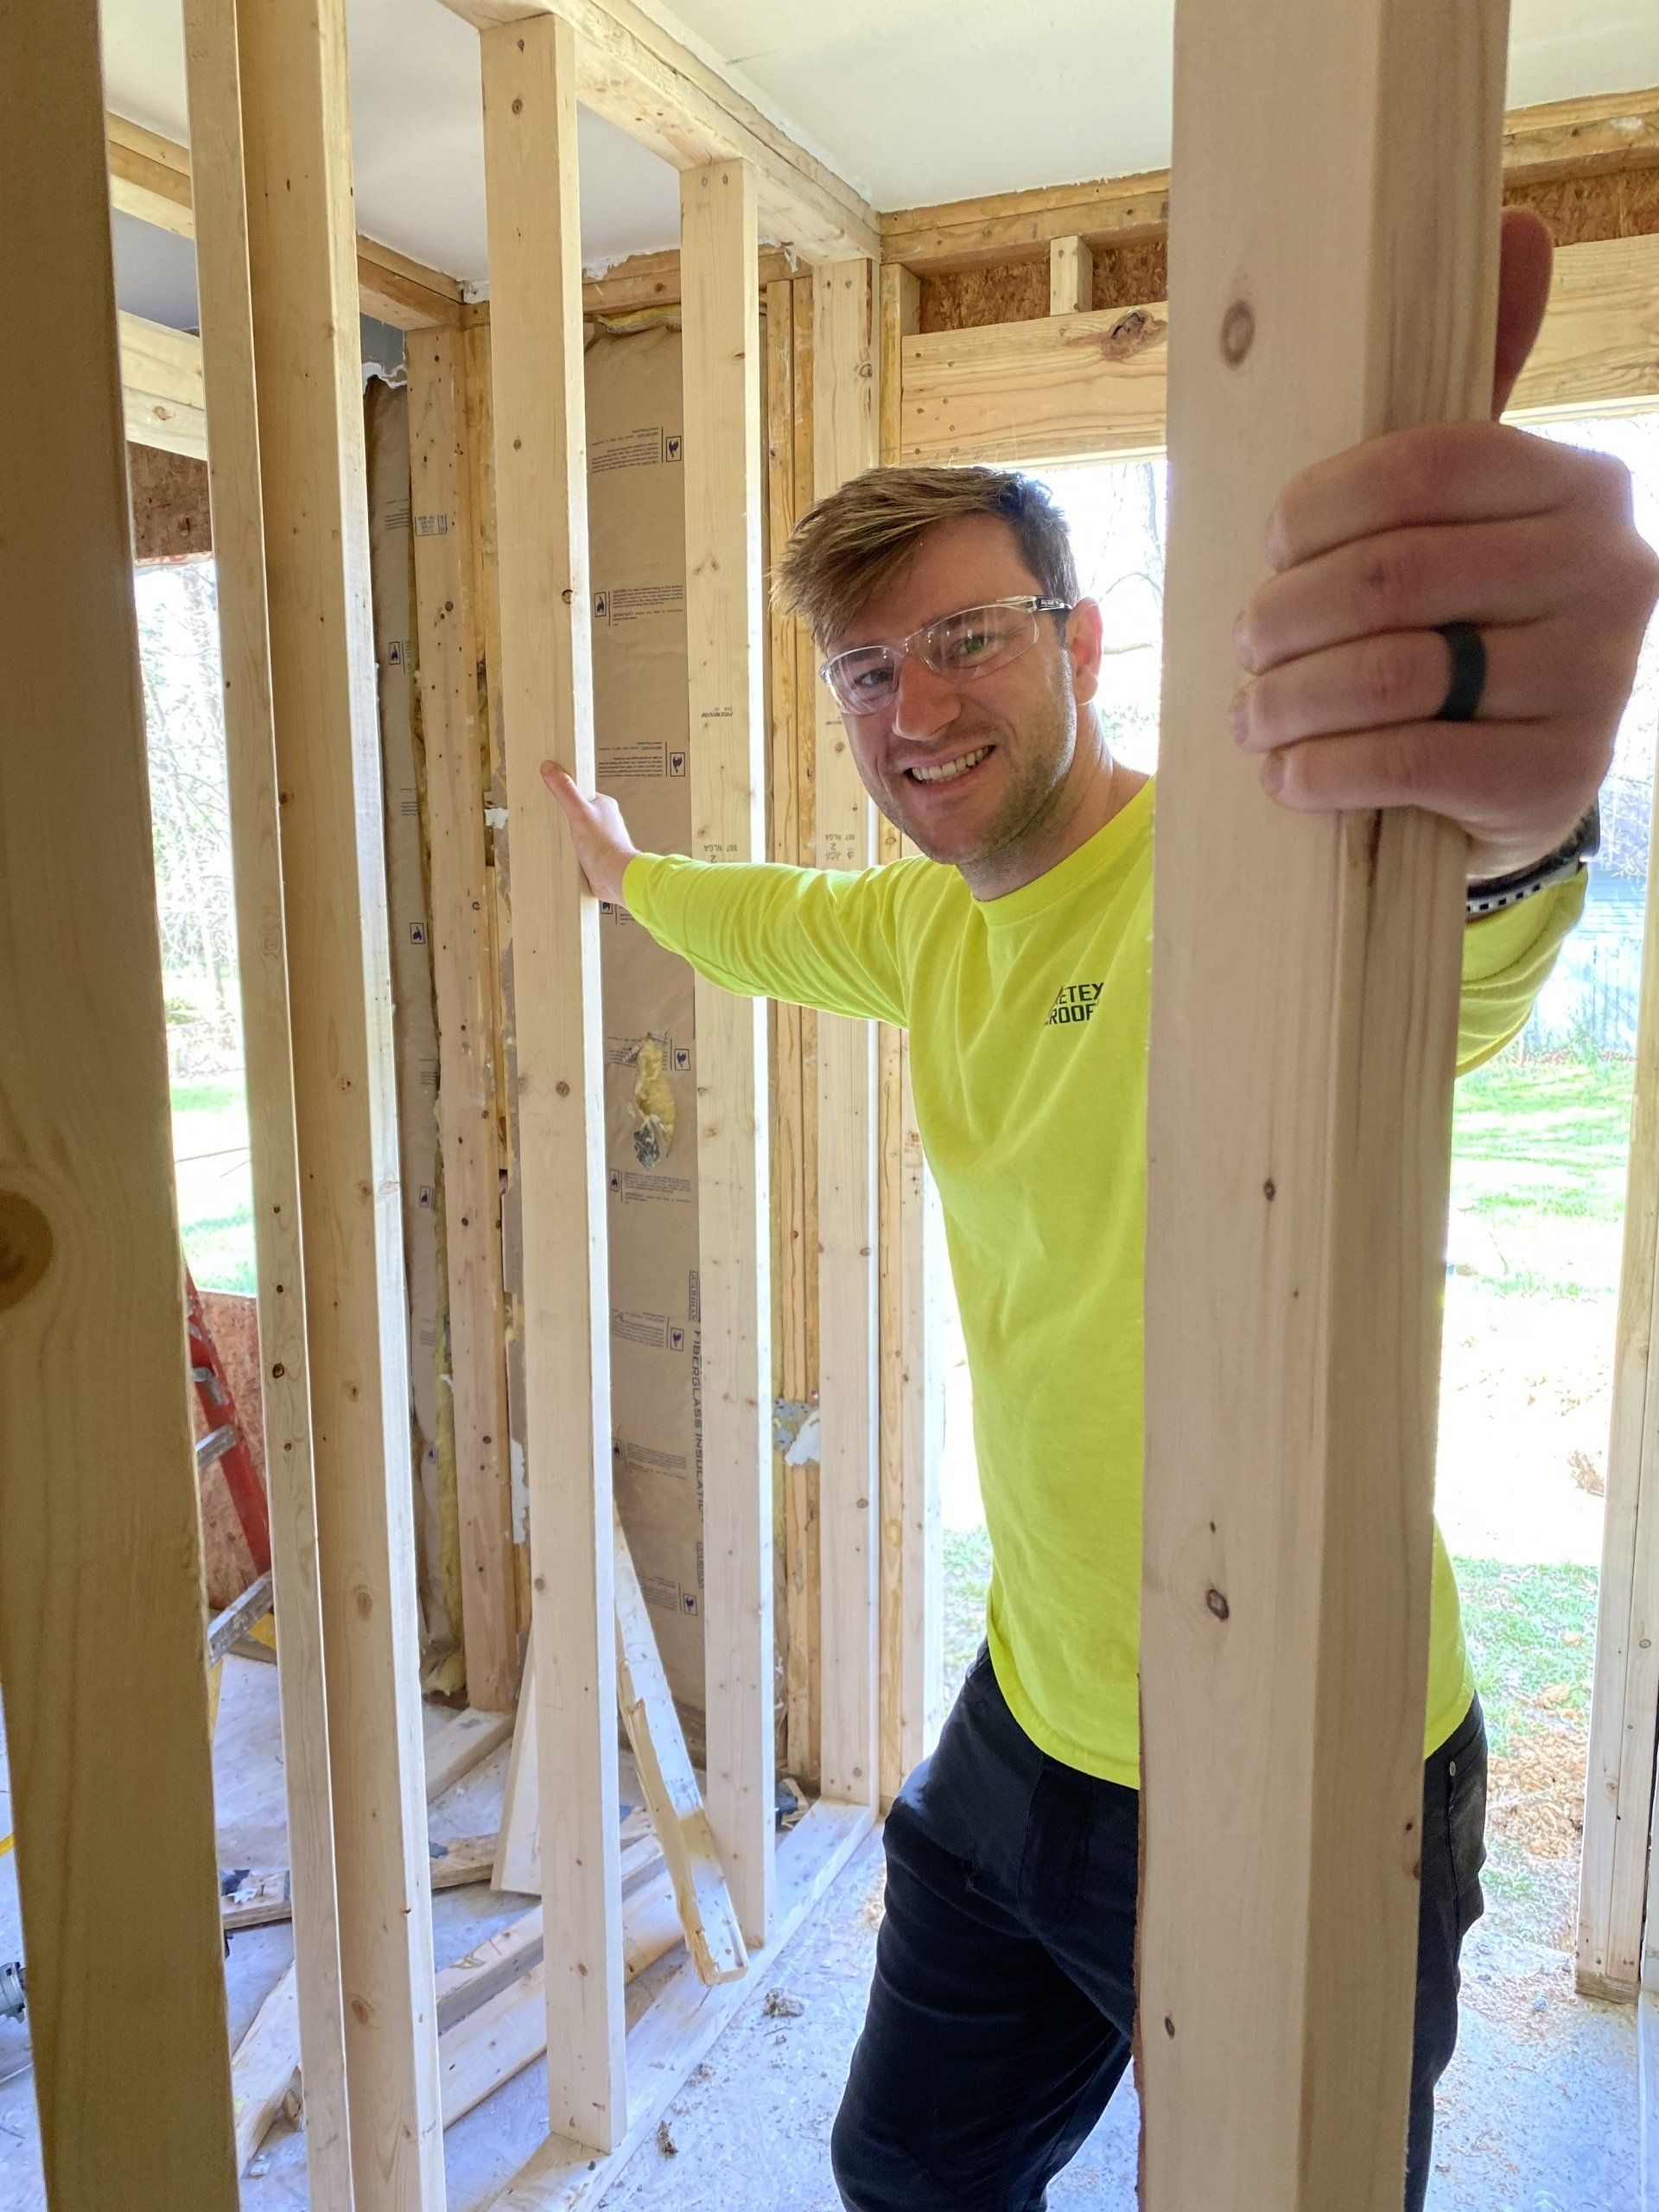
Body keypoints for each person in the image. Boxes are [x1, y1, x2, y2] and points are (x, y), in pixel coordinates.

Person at [544, 208, 1659, 2211]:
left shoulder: (1237, 873)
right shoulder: (923, 924)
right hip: (1031, 1714)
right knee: (906, 2166)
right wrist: (626, 879)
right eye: (866, 668)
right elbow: (769, 921)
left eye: (966, 636)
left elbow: (1454, 959)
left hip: (1298, 1763)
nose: (914, 706)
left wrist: (1506, 822)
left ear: (1081, 638)